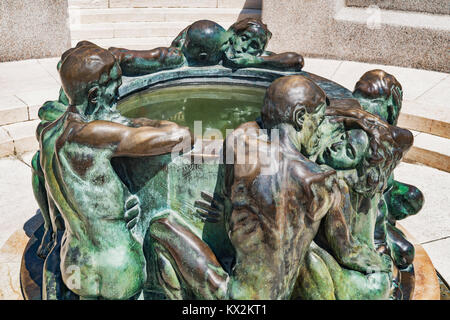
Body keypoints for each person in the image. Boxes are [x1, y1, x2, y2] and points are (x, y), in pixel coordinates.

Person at [38, 42, 193, 299]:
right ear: (95, 95)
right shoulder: (97, 134)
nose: (118, 94)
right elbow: (183, 137)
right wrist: (136, 122)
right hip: (117, 266)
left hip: (75, 260)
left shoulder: (49, 135)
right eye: (114, 86)